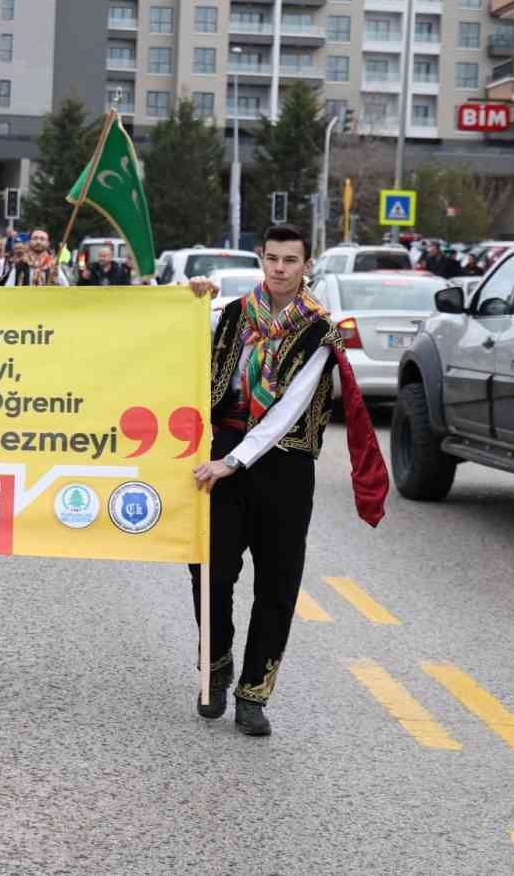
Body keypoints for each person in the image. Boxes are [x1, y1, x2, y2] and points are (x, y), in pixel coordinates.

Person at [185, 225, 338, 737]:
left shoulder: (319, 329)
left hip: (284, 465)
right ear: (261, 259)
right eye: (271, 258)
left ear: (305, 266)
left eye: (290, 261)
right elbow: (172, 335)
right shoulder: (231, 314)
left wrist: (236, 462)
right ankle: (216, 664)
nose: (279, 269)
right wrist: (187, 300)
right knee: (209, 570)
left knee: (277, 583)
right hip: (223, 451)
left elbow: (289, 410)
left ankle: (254, 694)